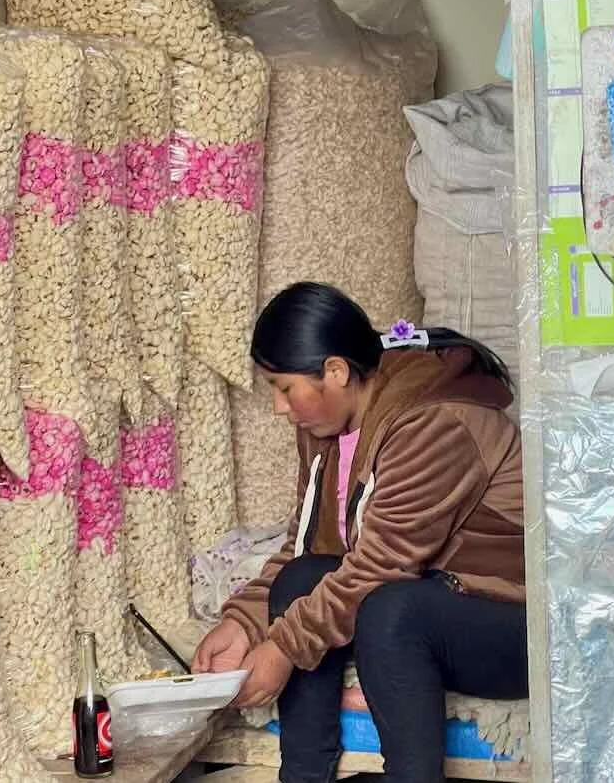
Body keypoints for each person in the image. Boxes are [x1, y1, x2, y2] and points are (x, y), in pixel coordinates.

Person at [193, 282, 527, 783]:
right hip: (431, 596)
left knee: (391, 611)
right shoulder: (327, 429)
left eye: (285, 389)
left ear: (335, 372)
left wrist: (282, 650)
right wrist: (243, 622)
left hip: (509, 622)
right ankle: (304, 775)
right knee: (303, 576)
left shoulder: (435, 424)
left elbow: (380, 567)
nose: (280, 408)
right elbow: (307, 545)